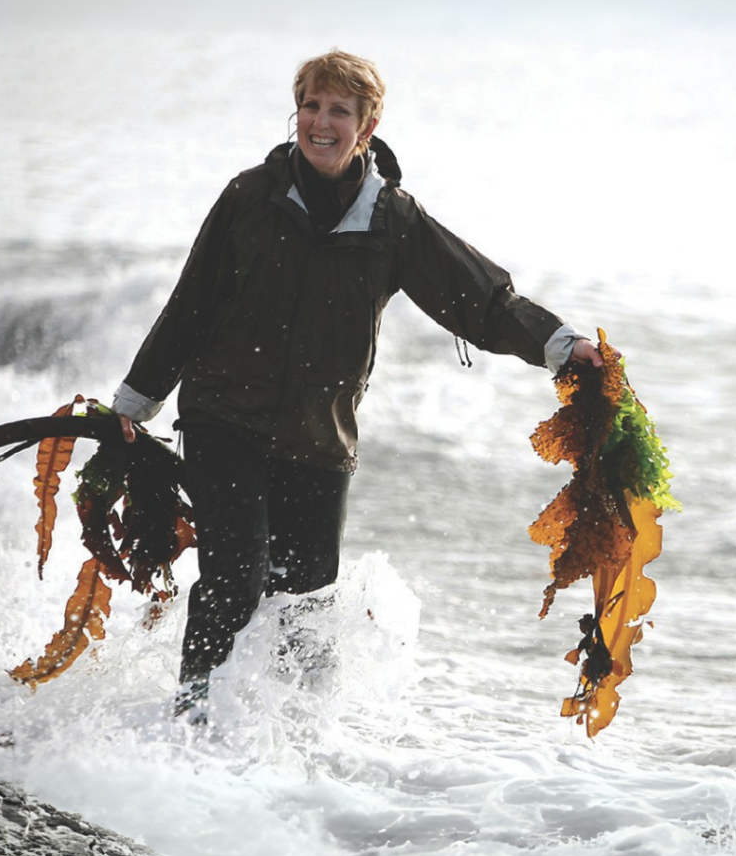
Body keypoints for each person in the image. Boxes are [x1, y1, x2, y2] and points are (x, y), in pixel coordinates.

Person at [111, 49, 603, 716]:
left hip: (320, 440)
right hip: (224, 419)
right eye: (310, 106)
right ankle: (191, 719)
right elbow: (190, 305)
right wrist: (136, 400)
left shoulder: (391, 220)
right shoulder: (249, 198)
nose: (320, 122)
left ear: (367, 127)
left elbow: (479, 299)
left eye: (339, 111)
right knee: (235, 579)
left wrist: (560, 346)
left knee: (307, 604)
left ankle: (294, 739)